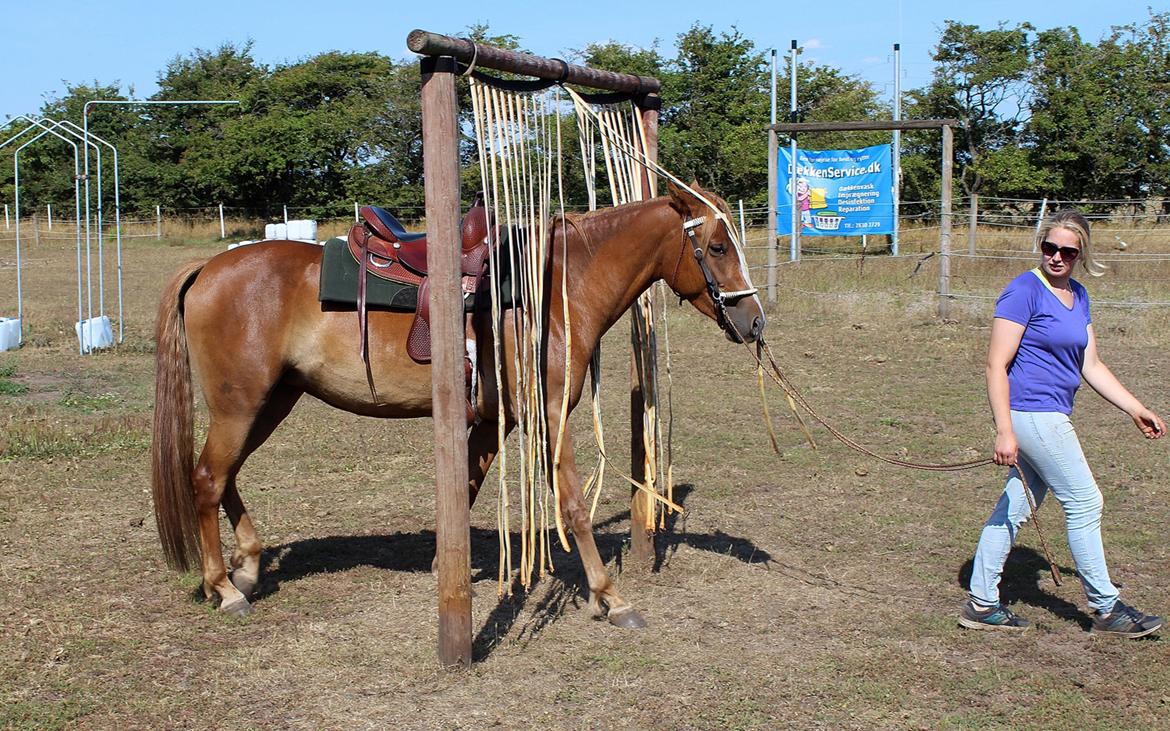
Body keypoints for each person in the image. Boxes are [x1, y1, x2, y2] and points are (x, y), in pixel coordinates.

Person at [959, 209, 1165, 638]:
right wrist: (1004, 429)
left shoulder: (1079, 295)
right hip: (1033, 414)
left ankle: (981, 603)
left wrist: (1135, 408)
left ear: (1081, 254)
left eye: (1067, 251)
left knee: (1017, 505)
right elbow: (996, 364)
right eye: (1049, 247)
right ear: (1041, 247)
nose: (1056, 257)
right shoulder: (1023, 292)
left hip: (1051, 412)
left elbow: (1091, 363)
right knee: (1086, 502)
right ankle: (1107, 608)